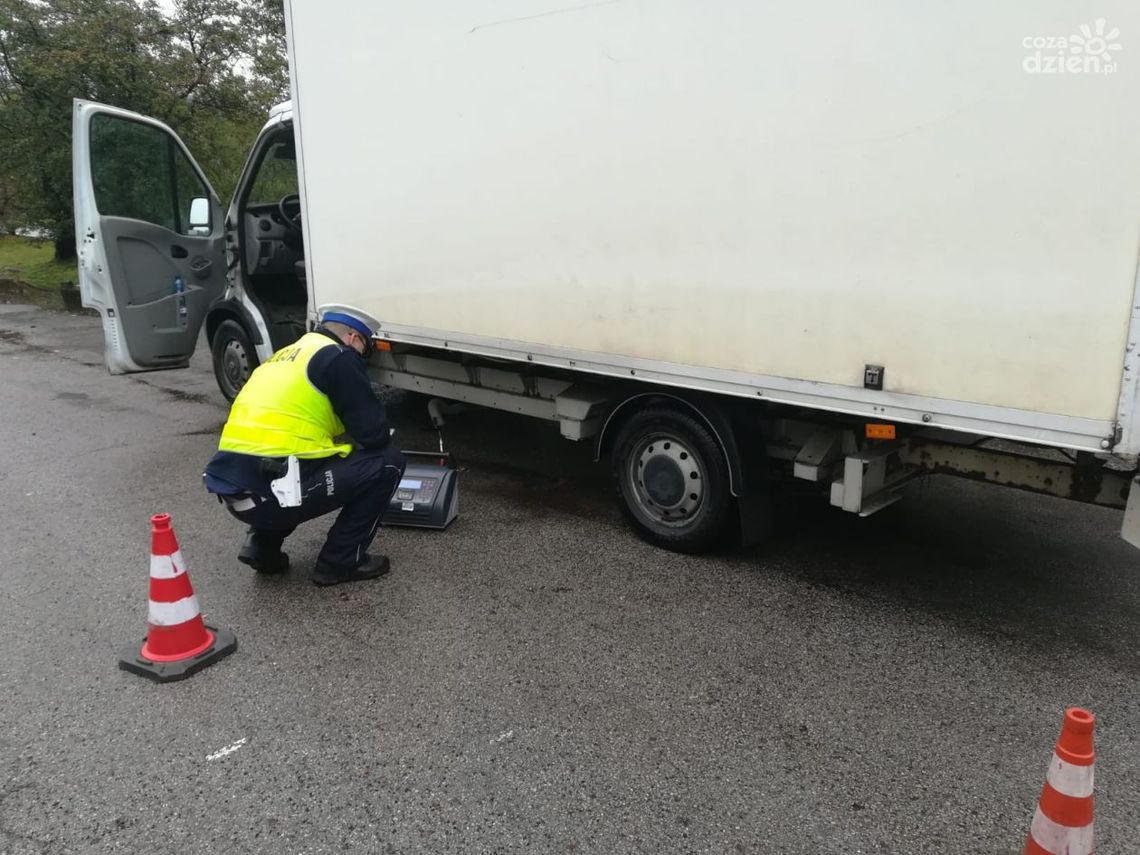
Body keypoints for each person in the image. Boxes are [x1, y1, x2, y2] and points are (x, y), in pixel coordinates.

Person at [203, 308, 406, 585]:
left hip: (236, 492)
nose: (363, 357)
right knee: (388, 462)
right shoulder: (339, 357)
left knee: (290, 465)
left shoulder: (282, 357)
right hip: (275, 497)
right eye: (365, 348)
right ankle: (340, 562)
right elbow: (374, 435)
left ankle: (262, 548)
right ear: (352, 337)